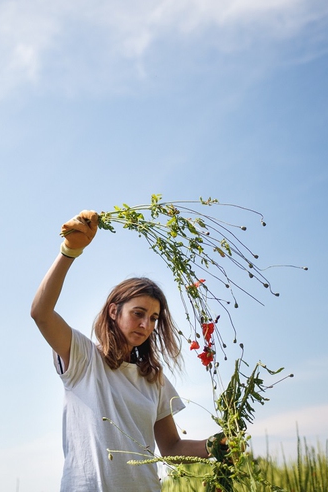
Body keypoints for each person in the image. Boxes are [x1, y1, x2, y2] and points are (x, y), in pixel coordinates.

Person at [30, 210, 216, 491]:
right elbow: (41, 313)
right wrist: (69, 252)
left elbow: (171, 448)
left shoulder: (153, 378)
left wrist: (215, 445)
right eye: (138, 313)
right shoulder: (83, 357)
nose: (146, 324)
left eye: (153, 318)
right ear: (114, 311)